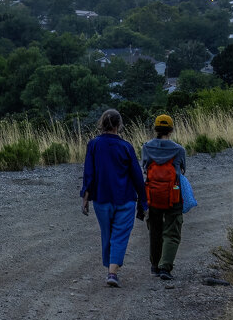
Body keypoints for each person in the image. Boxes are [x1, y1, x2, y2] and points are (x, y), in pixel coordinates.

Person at [80, 108, 147, 287]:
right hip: (125, 198)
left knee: (107, 234)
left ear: (102, 124)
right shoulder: (126, 147)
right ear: (118, 125)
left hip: (101, 199)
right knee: (120, 235)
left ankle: (110, 269)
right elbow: (137, 175)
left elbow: (89, 173)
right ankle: (112, 272)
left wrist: (85, 197)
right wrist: (143, 199)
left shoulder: (93, 144)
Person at [141, 113, 188, 281]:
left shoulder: (146, 147)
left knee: (154, 230)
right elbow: (182, 171)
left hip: (152, 195)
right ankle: (165, 267)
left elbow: (145, 168)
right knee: (172, 231)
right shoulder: (179, 150)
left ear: (155, 129)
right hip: (173, 196)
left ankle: (154, 265)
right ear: (171, 129)